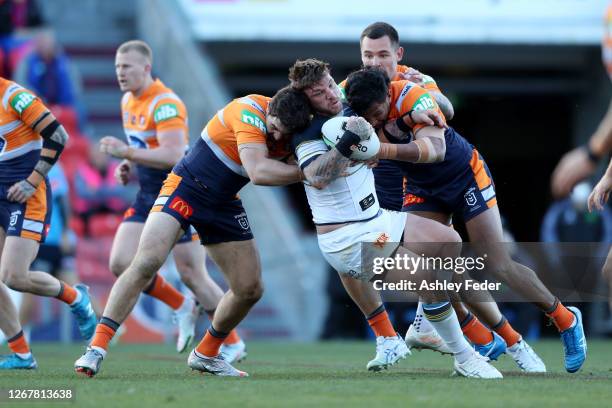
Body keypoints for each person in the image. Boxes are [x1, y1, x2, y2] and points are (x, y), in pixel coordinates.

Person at [345, 66, 587, 374]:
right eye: (368, 53)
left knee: (499, 265)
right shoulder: (356, 105)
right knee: (436, 268)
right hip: (422, 189)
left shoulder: (414, 94)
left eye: (378, 112)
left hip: (464, 176)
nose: (375, 119)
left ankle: (566, 319)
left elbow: (435, 150)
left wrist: (380, 148)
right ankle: (498, 340)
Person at [74, 85, 312, 377]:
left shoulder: (297, 128)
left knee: (250, 289)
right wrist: (307, 171)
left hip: (223, 203)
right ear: (270, 111)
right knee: (146, 262)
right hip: (185, 187)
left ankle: (207, 353)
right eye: (274, 128)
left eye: (283, 134)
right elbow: (260, 172)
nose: (276, 136)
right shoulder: (249, 111)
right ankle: (96, 349)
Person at [288, 58, 500, 377]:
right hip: (350, 238)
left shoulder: (347, 111)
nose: (331, 95)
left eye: (331, 85)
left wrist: (411, 116)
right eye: (319, 93)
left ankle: (421, 327)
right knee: (428, 279)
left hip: (377, 222)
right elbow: (316, 176)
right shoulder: (308, 132)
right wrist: (348, 143)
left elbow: (379, 127)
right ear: (306, 99)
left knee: (448, 241)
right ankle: (466, 356)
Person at [93, 40, 246, 359]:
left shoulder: (165, 104)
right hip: (148, 193)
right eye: (118, 67)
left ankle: (232, 342)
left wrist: (127, 152)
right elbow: (144, 144)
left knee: (193, 274)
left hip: (179, 194)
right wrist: (129, 163)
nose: (120, 73)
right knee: (121, 263)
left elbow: (175, 153)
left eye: (127, 67)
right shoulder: (128, 101)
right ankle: (180, 305)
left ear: (146, 68)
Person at [0, 75, 96, 369]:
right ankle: (22, 355)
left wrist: (32, 181)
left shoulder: (13, 96)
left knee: (14, 276)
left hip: (26, 194)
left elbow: (58, 135)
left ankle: (76, 297)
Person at [20, 163, 103, 335]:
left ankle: (17, 337)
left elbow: (62, 200)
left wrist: (65, 232)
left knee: (24, 283)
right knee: (72, 283)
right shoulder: (42, 163)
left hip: (48, 239)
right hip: (47, 237)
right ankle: (107, 325)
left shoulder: (47, 165)